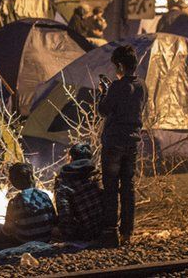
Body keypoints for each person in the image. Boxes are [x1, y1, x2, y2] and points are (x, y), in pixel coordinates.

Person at [98, 44, 147, 245]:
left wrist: (104, 92)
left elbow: (103, 110)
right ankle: (127, 232)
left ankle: (110, 231)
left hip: (114, 142)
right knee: (128, 187)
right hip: (132, 141)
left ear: (119, 65)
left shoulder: (117, 87)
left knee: (110, 187)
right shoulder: (142, 85)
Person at [0, 162, 56, 248]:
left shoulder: (14, 202)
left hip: (23, 241)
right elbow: (54, 219)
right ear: (31, 177)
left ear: (14, 182)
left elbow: (8, 230)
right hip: (46, 238)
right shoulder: (44, 195)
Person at [53, 143, 104, 242]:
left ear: (71, 158)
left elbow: (65, 214)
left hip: (83, 234)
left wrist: (66, 235)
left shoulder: (63, 180)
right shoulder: (98, 175)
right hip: (104, 229)